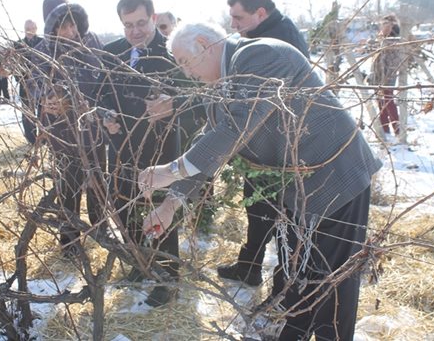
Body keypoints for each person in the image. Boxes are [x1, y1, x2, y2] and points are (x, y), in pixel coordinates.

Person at [138, 23, 382, 340]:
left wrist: (170, 169)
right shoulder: (222, 87)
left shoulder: (259, 55)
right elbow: (211, 147)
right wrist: (170, 205)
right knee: (297, 276)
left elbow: (237, 128)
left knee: (331, 285)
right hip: (300, 190)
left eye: (185, 61)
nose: (185, 72)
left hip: (336, 178)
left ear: (204, 43)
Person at [218, 0, 309, 285]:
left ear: (259, 12)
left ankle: (284, 286)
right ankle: (250, 267)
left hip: (281, 148)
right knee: (259, 209)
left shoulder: (277, 41)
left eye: (238, 18)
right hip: (268, 146)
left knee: (284, 218)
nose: (234, 25)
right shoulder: (268, 31)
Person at [102, 0, 182, 307]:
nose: (134, 31)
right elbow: (101, 96)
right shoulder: (113, 53)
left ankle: (167, 278)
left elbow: (198, 97)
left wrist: (172, 105)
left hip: (159, 152)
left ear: (153, 17)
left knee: (160, 214)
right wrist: (105, 115)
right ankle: (138, 263)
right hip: (121, 149)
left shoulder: (173, 53)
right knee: (124, 209)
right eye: (127, 25)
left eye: (140, 23)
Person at [31, 0, 106, 257]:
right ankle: (70, 242)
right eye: (62, 26)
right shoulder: (42, 51)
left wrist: (70, 100)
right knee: (68, 187)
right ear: (50, 26)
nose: (70, 32)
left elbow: (98, 83)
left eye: (73, 25)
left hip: (93, 131)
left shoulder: (91, 42)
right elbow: (34, 87)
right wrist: (45, 101)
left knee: (98, 182)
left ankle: (101, 231)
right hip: (62, 135)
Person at [371, 14, 402, 139]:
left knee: (388, 100)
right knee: (380, 100)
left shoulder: (393, 40)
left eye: (385, 24)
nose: (382, 27)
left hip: (388, 74)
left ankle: (397, 129)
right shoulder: (382, 39)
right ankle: (385, 128)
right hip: (379, 74)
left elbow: (390, 56)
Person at [14, 19, 44, 145]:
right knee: (27, 113)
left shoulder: (42, 43)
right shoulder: (18, 45)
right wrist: (21, 78)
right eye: (27, 27)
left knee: (43, 111)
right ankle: (31, 139)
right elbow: (15, 65)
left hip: (41, 84)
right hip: (26, 84)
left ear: (36, 28)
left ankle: (43, 138)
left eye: (32, 27)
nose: (29, 30)